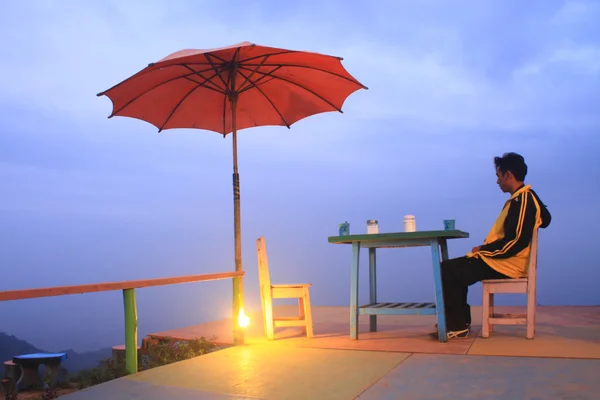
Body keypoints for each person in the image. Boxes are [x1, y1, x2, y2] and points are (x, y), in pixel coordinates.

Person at [431, 152, 552, 340]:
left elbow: (516, 241)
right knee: (450, 268)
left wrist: (484, 251)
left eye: (498, 176)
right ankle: (457, 322)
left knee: (448, 270)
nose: (497, 181)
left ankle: (457, 325)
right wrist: (483, 249)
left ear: (508, 175)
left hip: (507, 264)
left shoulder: (524, 200)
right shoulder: (522, 199)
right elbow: (544, 220)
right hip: (502, 260)